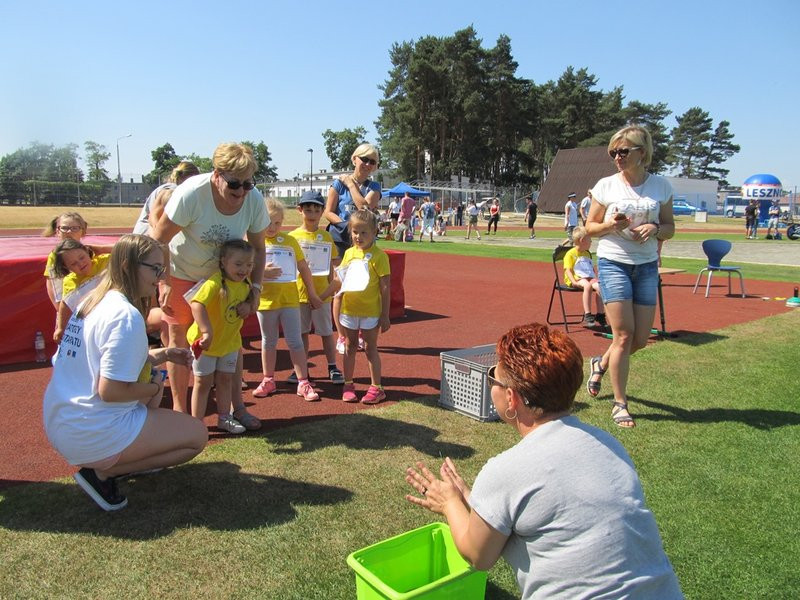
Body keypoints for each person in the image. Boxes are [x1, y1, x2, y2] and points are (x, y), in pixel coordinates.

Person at [404, 323, 683, 599]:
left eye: (493, 377)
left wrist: (449, 503)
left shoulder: (506, 470)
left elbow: (478, 556)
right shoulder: (609, 444)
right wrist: (475, 500)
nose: (491, 383)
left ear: (511, 398)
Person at [43, 234, 208, 512]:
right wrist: (156, 387)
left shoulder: (92, 300)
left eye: (162, 269)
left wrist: (164, 355)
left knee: (154, 409)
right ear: (128, 267)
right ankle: (102, 473)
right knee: (196, 437)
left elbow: (96, 360)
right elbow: (112, 391)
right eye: (154, 268)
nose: (160, 276)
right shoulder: (125, 315)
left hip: (62, 422)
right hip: (91, 431)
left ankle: (111, 461)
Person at [151, 142, 269, 425]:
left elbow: (260, 249)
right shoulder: (191, 193)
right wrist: (163, 283)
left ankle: (237, 409)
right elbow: (158, 239)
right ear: (217, 174)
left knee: (230, 337)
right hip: (182, 273)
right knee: (180, 340)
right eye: (234, 184)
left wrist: (255, 290)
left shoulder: (252, 200)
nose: (240, 192)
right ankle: (183, 415)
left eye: (247, 184)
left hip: (225, 278)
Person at [584, 125, 675, 428]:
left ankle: (601, 362)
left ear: (642, 152)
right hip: (614, 263)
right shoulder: (606, 186)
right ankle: (620, 403)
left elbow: (669, 227)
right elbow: (589, 227)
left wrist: (655, 229)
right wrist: (611, 225)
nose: (617, 157)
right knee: (622, 335)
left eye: (623, 151)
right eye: (614, 152)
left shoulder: (660, 186)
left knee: (639, 339)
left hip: (647, 265)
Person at [252, 198, 323, 402]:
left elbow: (303, 268)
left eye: (277, 223)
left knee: (295, 341)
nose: (272, 227)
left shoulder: (290, 241)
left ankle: (303, 381)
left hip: (290, 301)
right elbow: (244, 270)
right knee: (268, 341)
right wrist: (261, 272)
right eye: (267, 222)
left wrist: (312, 293)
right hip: (265, 302)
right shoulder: (254, 242)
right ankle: (268, 380)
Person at [186, 239, 256, 434]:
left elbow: (248, 302)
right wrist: (206, 331)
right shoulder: (215, 282)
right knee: (203, 383)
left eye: (249, 265)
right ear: (224, 262)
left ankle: (224, 417)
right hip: (206, 345)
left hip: (229, 343)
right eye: (239, 264)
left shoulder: (246, 283)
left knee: (226, 380)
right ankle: (197, 423)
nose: (244, 269)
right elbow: (196, 304)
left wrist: (248, 307)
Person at [333, 209, 391, 404]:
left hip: (371, 313)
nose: (358, 236)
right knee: (349, 347)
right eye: (355, 231)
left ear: (375, 232)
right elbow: (341, 281)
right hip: (349, 310)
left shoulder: (379, 256)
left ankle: (377, 387)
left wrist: (385, 314)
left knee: (370, 348)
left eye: (364, 232)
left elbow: (385, 288)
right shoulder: (349, 253)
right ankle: (348, 384)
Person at [289, 190, 345, 384]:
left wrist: (328, 292)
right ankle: (302, 367)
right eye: (307, 210)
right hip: (299, 294)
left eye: (316, 210)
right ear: (300, 210)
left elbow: (333, 266)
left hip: (322, 295)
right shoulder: (292, 237)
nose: (311, 214)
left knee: (326, 332)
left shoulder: (326, 237)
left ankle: (332, 366)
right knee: (302, 333)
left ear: (322, 212)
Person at [42, 212, 112, 310]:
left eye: (75, 228)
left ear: (83, 231)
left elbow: (128, 248)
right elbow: (55, 289)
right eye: (65, 228)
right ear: (57, 231)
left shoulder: (90, 251)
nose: (69, 232)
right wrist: (62, 312)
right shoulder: (56, 256)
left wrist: (102, 249)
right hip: (73, 308)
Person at [323, 143, 381, 256]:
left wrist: (350, 184)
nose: (368, 164)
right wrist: (347, 227)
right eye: (364, 159)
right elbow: (328, 212)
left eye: (372, 162)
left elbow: (364, 208)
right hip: (339, 239)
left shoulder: (374, 187)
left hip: (363, 242)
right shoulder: (338, 184)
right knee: (338, 272)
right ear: (355, 159)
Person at [132, 161, 200, 235]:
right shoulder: (172, 190)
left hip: (142, 236)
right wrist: (159, 238)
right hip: (146, 239)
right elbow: (153, 218)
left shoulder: (171, 188)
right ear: (193, 177)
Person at [563, 227, 605, 327]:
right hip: (576, 278)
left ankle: (600, 314)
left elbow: (590, 268)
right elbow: (568, 270)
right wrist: (573, 281)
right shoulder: (570, 254)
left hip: (588, 277)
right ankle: (588, 314)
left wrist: (594, 277)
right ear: (582, 241)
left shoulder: (587, 253)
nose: (591, 242)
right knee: (587, 286)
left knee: (600, 286)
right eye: (589, 240)